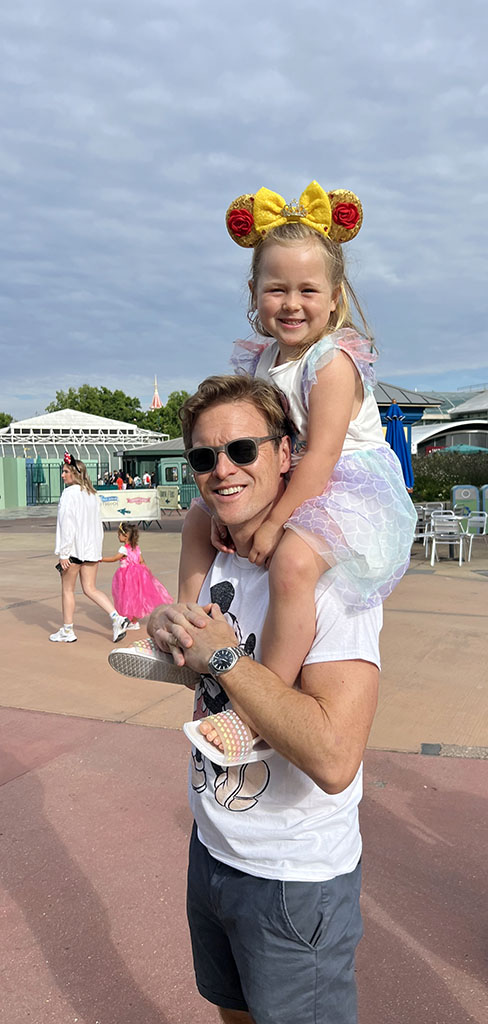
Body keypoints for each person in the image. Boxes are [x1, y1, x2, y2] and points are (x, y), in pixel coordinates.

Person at [144, 374, 382, 1024]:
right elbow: (201, 668)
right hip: (214, 848)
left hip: (294, 880)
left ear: (285, 453)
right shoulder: (217, 553)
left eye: (242, 450)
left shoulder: (333, 582)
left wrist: (224, 657)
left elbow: (335, 759)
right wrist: (169, 624)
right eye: (203, 457)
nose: (221, 470)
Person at [178, 180, 416, 692]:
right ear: (255, 295)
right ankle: (187, 628)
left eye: (307, 290)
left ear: (334, 300)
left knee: (290, 561)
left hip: (347, 488)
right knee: (198, 517)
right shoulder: (263, 360)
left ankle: (270, 689)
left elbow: (322, 457)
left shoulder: (331, 363)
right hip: (298, 480)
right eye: (276, 289)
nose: (291, 304)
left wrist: (271, 527)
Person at [50, 453, 130, 644]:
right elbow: (97, 524)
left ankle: (68, 630)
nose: (62, 475)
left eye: (65, 471)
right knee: (90, 588)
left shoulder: (69, 494)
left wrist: (64, 552)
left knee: (68, 590)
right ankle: (116, 618)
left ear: (75, 474)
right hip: (91, 549)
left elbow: (66, 524)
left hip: (74, 551)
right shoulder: (93, 495)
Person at [101, 521, 173, 629]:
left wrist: (101, 559)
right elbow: (141, 560)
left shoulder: (123, 549)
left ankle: (130, 621)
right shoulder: (136, 548)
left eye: (119, 535)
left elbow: (114, 558)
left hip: (126, 576)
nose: (118, 537)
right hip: (138, 576)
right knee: (136, 597)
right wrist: (145, 571)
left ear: (125, 536)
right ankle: (134, 621)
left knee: (127, 597)